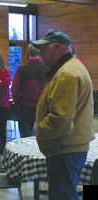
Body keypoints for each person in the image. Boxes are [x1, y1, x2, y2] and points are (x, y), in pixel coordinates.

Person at [32, 29, 94, 200]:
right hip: (68, 147)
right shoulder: (70, 68)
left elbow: (61, 120)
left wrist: (39, 131)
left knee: (62, 196)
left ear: (57, 47)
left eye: (44, 48)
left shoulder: (66, 74)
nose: (40, 53)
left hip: (64, 149)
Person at [11, 43, 48, 138]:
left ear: (28, 53)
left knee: (25, 138)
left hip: (25, 107)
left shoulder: (20, 69)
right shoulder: (47, 70)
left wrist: (17, 102)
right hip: (42, 107)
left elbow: (14, 89)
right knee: (44, 137)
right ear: (40, 53)